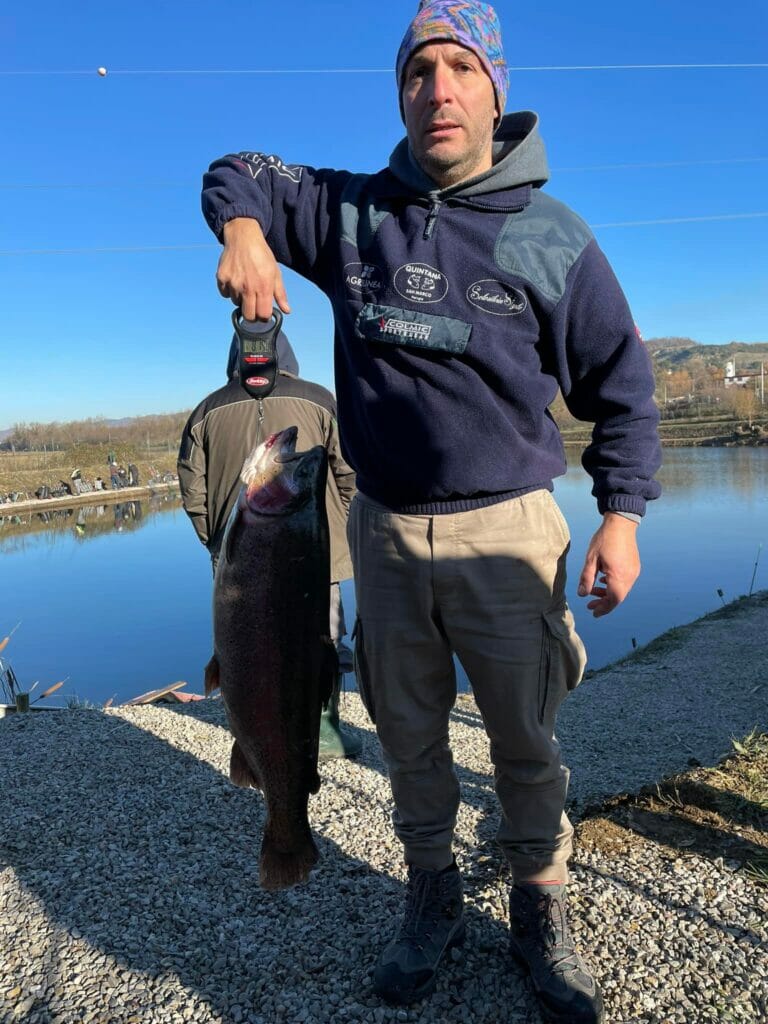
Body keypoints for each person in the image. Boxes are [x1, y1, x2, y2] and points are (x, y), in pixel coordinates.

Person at [200, 2, 662, 1019]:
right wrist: (243, 228)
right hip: (385, 534)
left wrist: (621, 515)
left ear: (495, 87)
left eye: (459, 68)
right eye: (419, 71)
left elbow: (623, 391)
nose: (439, 90)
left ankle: (540, 903)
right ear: (400, 92)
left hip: (511, 532)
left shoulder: (554, 236)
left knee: (524, 741)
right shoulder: (353, 210)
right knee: (408, 739)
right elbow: (235, 168)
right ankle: (432, 897)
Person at [177, 327, 361, 760]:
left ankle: (258, 730)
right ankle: (324, 729)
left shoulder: (206, 410)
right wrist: (341, 528)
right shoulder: (320, 399)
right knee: (319, 637)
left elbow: (191, 487)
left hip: (237, 553)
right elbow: (351, 472)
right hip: (314, 551)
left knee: (245, 643)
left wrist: (215, 541)